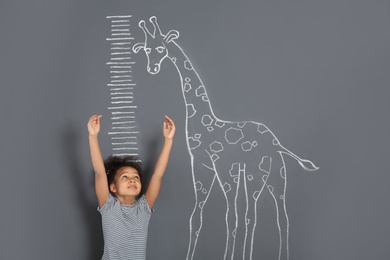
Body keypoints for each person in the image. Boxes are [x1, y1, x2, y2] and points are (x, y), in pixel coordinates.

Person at [87, 114, 175, 260]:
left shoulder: (144, 209)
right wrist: (93, 136)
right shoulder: (108, 207)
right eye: (125, 177)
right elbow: (100, 172)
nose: (132, 180)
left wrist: (168, 140)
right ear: (113, 187)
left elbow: (157, 175)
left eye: (136, 177)